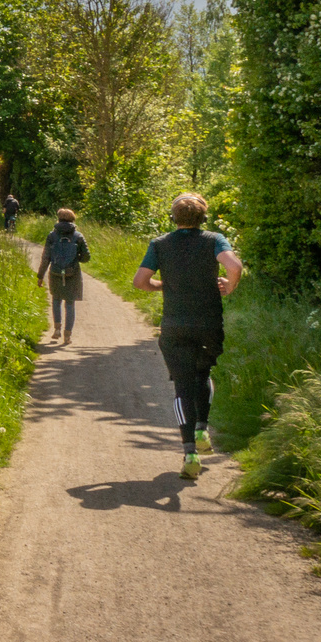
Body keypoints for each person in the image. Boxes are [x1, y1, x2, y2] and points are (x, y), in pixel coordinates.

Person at [132, 193, 243, 480]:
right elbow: (234, 267)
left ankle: (190, 453)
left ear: (173, 217)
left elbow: (140, 282)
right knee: (203, 374)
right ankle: (202, 429)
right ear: (202, 217)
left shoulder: (159, 244)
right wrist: (229, 287)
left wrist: (163, 286)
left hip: (175, 324)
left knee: (182, 386)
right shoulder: (214, 239)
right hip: (208, 323)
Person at [36, 208, 89, 345]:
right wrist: (76, 257)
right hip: (73, 273)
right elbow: (86, 257)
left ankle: (57, 330)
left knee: (56, 300)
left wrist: (40, 275)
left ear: (58, 219)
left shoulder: (52, 236)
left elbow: (45, 257)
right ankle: (67, 336)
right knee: (70, 304)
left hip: (55, 272)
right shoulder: (78, 236)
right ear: (73, 220)